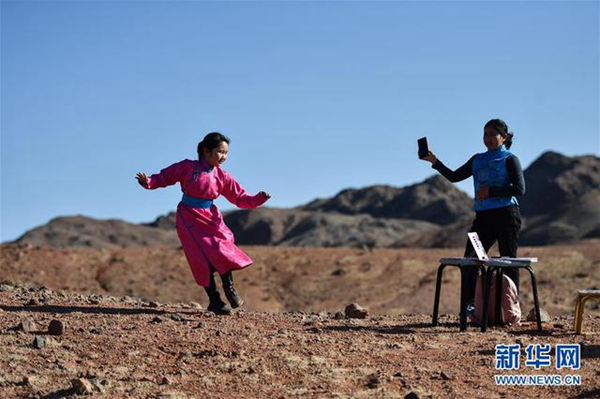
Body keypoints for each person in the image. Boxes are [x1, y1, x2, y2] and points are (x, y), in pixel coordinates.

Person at [136, 132, 271, 315]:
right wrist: (149, 182)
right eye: (221, 152)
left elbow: (239, 197)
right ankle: (215, 300)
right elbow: (165, 177)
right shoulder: (187, 167)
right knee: (200, 259)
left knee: (222, 249)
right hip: (189, 217)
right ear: (206, 151)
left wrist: (258, 199)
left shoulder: (223, 176)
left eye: (226, 153)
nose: (224, 157)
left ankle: (229, 288)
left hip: (211, 217)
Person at [419, 119, 526, 307]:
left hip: (506, 215)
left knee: (508, 260)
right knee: (471, 259)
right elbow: (454, 176)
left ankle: (510, 308)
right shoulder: (477, 159)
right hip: (483, 218)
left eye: (493, 134)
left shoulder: (510, 159)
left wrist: (491, 191)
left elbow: (520, 188)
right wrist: (434, 161)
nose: (488, 138)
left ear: (504, 137)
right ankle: (470, 307)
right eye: (485, 134)